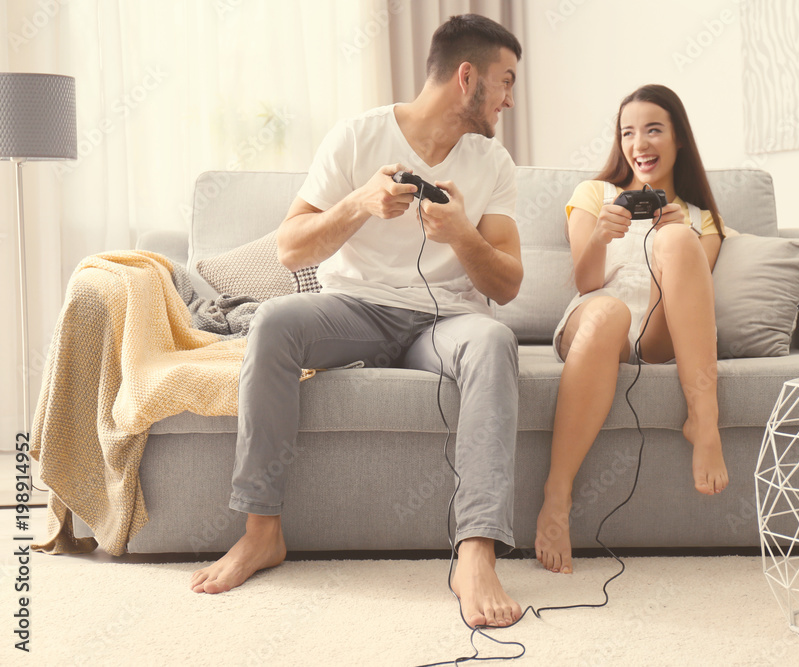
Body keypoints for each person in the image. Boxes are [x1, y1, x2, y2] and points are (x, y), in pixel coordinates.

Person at [190, 14, 525, 628]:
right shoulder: (356, 137)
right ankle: (262, 530)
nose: (510, 97)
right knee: (274, 322)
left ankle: (476, 552)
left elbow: (506, 285)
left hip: (446, 323)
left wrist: (461, 232)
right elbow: (292, 248)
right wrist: (358, 204)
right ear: (467, 76)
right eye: (505, 81)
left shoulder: (493, 163)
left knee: (494, 341)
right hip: (356, 309)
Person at [534, 84, 730, 575]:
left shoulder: (701, 217)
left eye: (653, 130)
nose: (639, 143)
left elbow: (693, 299)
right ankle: (557, 493)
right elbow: (585, 281)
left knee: (680, 241)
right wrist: (600, 234)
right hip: (596, 321)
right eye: (628, 132)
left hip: (659, 335)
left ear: (678, 138)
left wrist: (673, 230)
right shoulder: (594, 194)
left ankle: (704, 422)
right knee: (609, 312)